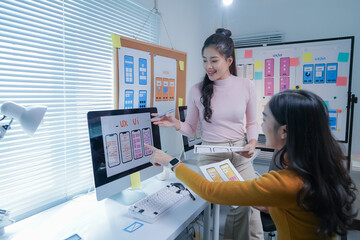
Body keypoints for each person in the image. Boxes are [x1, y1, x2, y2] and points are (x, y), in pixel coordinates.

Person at [147, 89, 358, 240]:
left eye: (265, 119)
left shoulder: (286, 182)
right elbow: (297, 209)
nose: (261, 125)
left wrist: (171, 162)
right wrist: (269, 204)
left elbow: (209, 190)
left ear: (284, 131)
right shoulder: (321, 167)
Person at [151, 28, 263, 239]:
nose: (208, 66)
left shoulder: (246, 85)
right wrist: (176, 124)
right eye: (204, 61)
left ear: (229, 61)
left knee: (254, 208)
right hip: (212, 156)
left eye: (214, 60)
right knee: (241, 204)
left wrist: (253, 143)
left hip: (240, 153)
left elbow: (253, 122)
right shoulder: (196, 89)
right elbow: (190, 129)